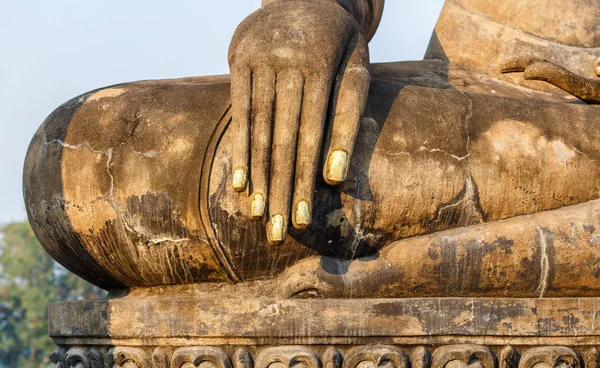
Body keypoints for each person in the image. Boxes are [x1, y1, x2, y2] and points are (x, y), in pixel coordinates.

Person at [23, 0, 600, 294]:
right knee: (82, 147)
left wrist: (399, 273)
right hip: (473, 79)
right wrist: (309, 11)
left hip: (574, 140)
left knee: (238, 180)